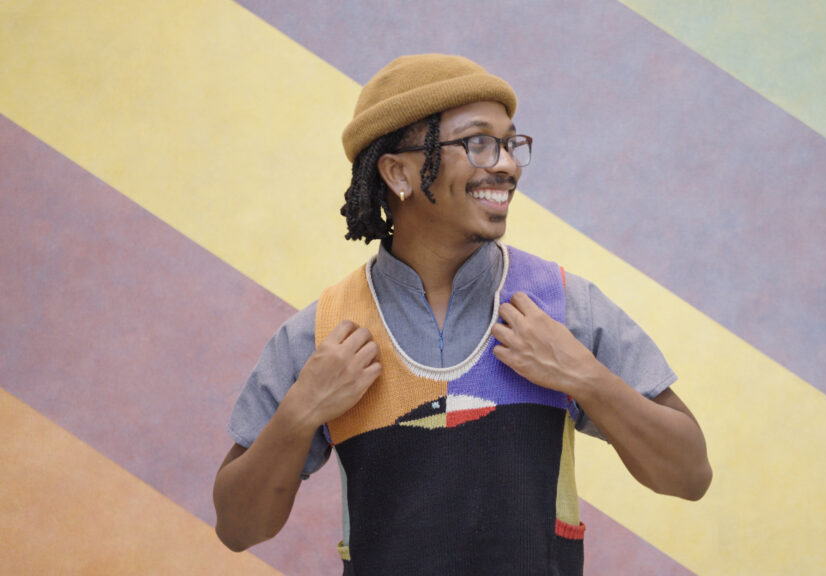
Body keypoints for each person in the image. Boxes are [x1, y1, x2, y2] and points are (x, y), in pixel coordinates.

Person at [213, 53, 711, 575]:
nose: (506, 164)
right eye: (478, 143)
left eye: (511, 143)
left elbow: (689, 475)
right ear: (398, 172)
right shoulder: (323, 334)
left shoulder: (563, 307)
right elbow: (238, 528)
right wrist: (301, 412)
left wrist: (584, 378)